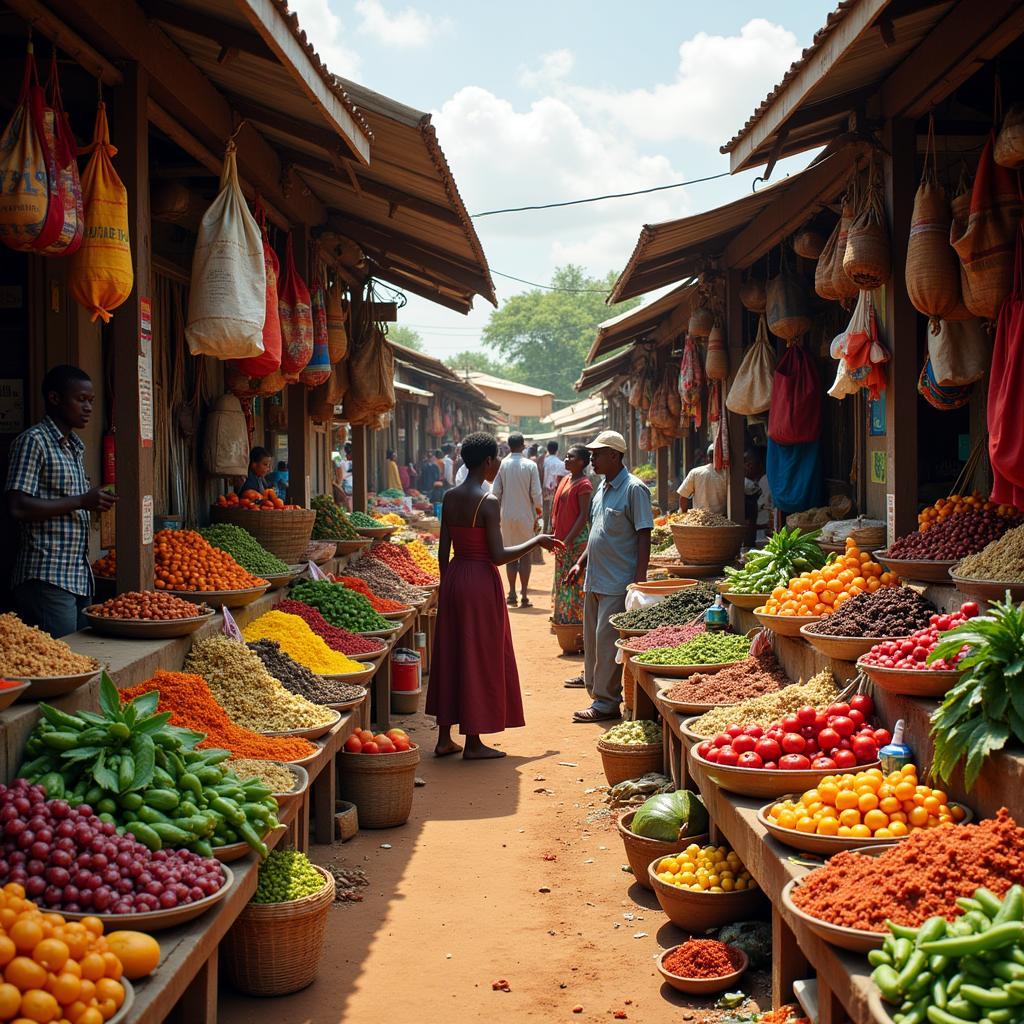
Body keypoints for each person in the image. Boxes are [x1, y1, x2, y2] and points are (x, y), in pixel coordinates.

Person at [427, 432, 562, 759]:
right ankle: (473, 742)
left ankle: (444, 738)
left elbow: (443, 552)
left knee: (452, 652)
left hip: (456, 576)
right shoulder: (487, 501)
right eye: (495, 459)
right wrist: (536, 539)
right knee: (479, 654)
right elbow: (498, 555)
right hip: (480, 581)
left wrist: (449, 588)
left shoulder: (451, 496)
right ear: (488, 461)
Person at [5, 365, 117, 637]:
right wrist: (81, 500)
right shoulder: (34, 442)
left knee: (79, 660)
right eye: (80, 400)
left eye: (90, 401)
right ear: (55, 398)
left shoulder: (74, 447)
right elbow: (17, 505)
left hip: (77, 577)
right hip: (47, 576)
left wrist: (94, 502)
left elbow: (73, 503)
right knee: (63, 663)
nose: (88, 407)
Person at [564, 430, 653, 723]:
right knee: (592, 642)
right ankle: (598, 695)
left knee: (606, 642)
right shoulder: (601, 490)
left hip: (618, 582)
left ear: (614, 455)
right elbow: (596, 533)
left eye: (597, 454)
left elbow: (644, 535)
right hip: (595, 579)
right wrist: (580, 563)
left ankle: (606, 702)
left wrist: (637, 582)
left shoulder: (634, 489)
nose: (592, 459)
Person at [551, 445, 594, 689]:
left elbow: (583, 517)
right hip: (563, 541)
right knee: (563, 586)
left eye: (571, 457)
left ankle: (577, 637)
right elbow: (558, 509)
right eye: (566, 456)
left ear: (582, 462)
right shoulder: (567, 479)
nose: (567, 459)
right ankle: (566, 633)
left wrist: (566, 540)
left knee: (575, 589)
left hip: (576, 543)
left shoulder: (584, 485)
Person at [491, 433, 543, 607]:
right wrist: (539, 514)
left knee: (511, 556)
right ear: (522, 446)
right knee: (525, 555)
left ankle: (511, 593)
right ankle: (525, 594)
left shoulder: (502, 465)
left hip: (506, 516)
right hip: (526, 515)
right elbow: (536, 493)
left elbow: (495, 492)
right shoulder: (530, 465)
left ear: (508, 445)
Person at [677, 443, 727, 514]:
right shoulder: (728, 475)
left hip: (699, 519)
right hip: (723, 519)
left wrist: (683, 515)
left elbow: (683, 495)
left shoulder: (695, 472)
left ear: (708, 458)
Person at [744, 447, 773, 540]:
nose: (746, 466)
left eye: (749, 463)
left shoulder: (766, 481)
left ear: (759, 464)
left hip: (764, 535)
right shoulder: (755, 481)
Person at [542, 440, 570, 533]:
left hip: (544, 489)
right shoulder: (561, 463)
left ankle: (545, 529)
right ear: (557, 450)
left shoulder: (543, 462)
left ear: (547, 449)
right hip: (556, 489)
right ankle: (551, 529)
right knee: (554, 509)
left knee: (545, 509)